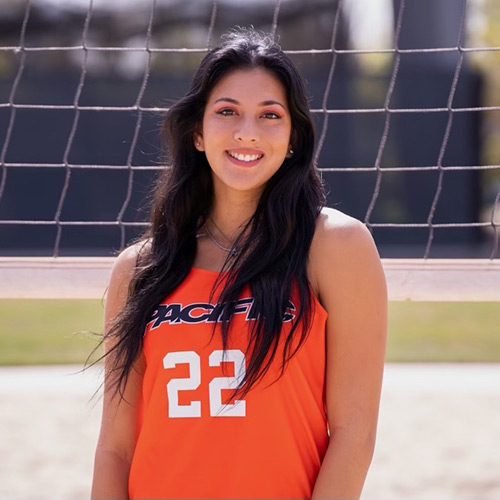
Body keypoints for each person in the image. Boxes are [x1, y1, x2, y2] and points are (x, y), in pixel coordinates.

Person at [90, 27, 387, 500]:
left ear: (293, 138)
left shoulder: (334, 246)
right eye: (227, 111)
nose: (247, 131)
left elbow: (354, 432)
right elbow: (115, 449)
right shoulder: (140, 267)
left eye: (270, 115)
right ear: (198, 134)